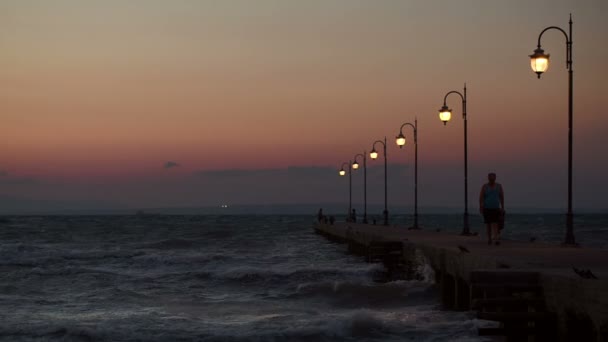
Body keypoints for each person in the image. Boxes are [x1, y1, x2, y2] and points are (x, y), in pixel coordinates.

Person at [479, 172, 505, 245]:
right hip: (487, 208)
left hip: (496, 208)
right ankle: (489, 239)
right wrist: (481, 206)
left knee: (496, 223)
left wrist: (502, 207)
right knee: (488, 224)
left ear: (495, 178)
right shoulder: (485, 187)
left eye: (493, 177)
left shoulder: (499, 186)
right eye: (490, 178)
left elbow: (502, 197)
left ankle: (496, 239)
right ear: (488, 178)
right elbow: (481, 197)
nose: (491, 179)